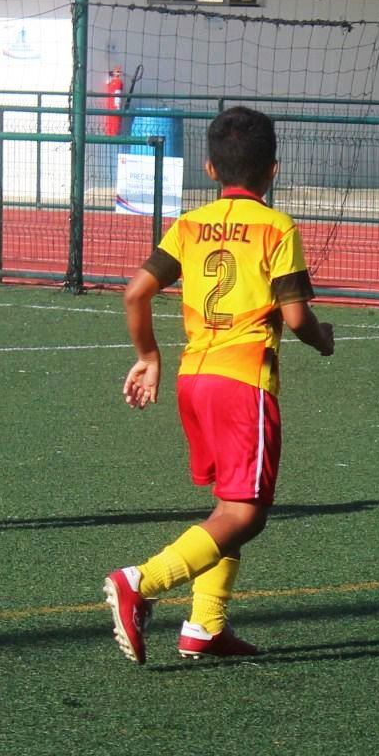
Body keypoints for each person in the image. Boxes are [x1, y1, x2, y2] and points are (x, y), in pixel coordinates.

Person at [104, 106, 335, 664]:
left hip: (193, 377)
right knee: (247, 513)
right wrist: (323, 337)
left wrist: (148, 356)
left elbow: (135, 294)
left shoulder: (188, 224)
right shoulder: (277, 227)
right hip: (242, 384)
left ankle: (205, 626)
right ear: (273, 170)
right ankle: (142, 581)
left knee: (229, 504)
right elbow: (298, 317)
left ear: (209, 168)